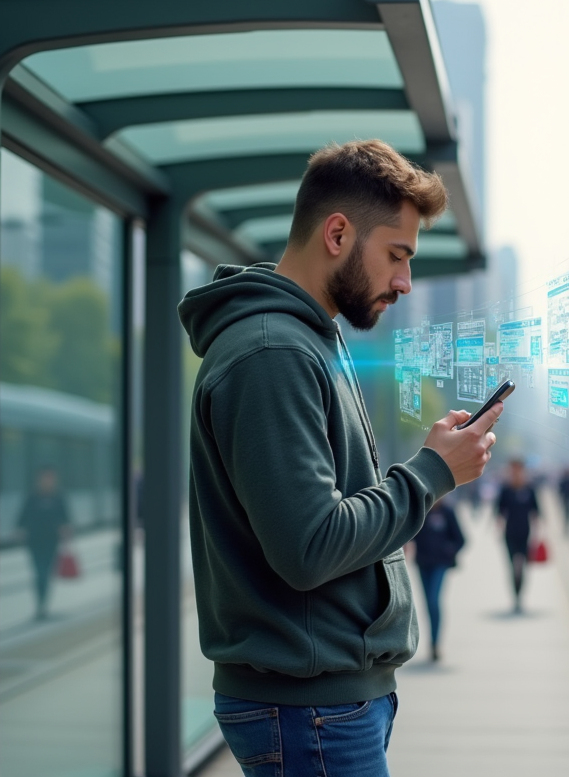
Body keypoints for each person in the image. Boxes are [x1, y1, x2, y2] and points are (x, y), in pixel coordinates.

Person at [178, 140, 502, 777]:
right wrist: (432, 474)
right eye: (396, 256)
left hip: (325, 698)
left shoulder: (305, 341)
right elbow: (311, 546)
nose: (405, 282)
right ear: (336, 233)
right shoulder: (274, 353)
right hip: (308, 707)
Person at [410, 497, 465, 662]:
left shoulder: (448, 512)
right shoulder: (421, 511)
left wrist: (449, 550)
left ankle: (435, 643)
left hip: (440, 564)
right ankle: (432, 643)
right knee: (427, 604)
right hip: (423, 563)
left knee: (434, 601)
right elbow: (410, 534)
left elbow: (461, 539)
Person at [16, 465, 72, 621]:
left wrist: (65, 530)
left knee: (46, 573)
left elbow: (66, 517)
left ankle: (42, 604)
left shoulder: (58, 496)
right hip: (34, 541)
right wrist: (20, 529)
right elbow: (23, 515)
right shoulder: (32, 496)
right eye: (45, 478)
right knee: (40, 573)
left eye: (51, 478)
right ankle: (40, 604)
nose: (48, 481)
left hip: (52, 541)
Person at [496, 459, 540, 613]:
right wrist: (498, 525)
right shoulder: (506, 489)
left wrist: (539, 534)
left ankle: (520, 596)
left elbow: (536, 512)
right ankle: (515, 597)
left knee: (521, 566)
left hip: (525, 533)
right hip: (509, 533)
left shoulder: (529, 489)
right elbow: (499, 511)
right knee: (512, 567)